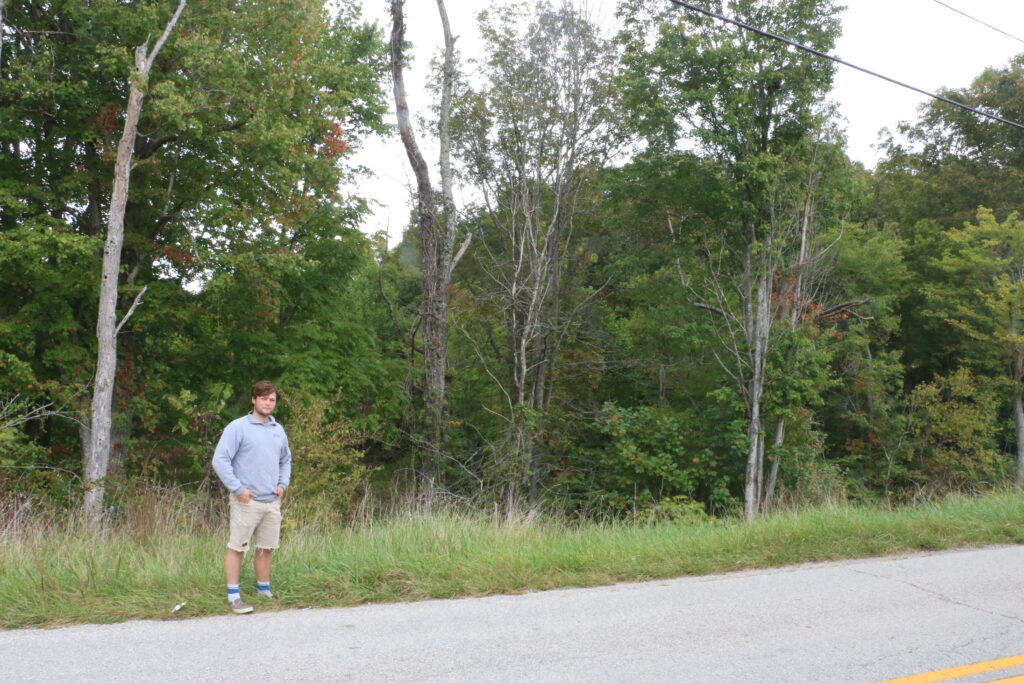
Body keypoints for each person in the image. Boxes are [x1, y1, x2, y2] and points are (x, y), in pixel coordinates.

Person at [211, 380, 291, 614]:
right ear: (254, 400)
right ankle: (233, 597)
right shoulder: (238, 427)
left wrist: (282, 485)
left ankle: (264, 590)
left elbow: (285, 460)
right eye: (264, 398)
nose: (268, 403)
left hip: (271, 501)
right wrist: (238, 489)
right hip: (246, 501)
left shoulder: (278, 429)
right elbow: (220, 460)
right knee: (238, 547)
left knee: (266, 547)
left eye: (272, 399)